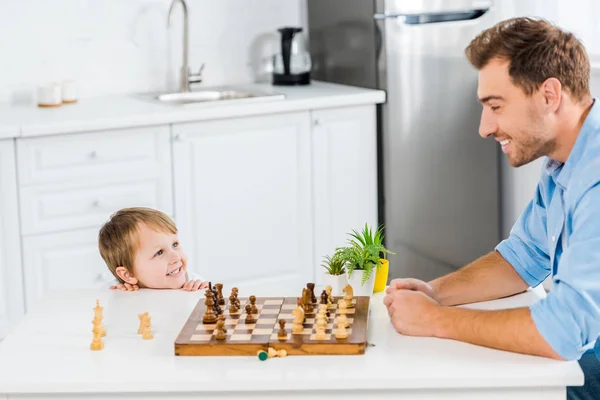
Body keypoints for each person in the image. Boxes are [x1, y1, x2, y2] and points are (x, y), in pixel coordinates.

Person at [383, 17, 600, 399]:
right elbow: (523, 258)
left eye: (496, 106)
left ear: (549, 95)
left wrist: (435, 319)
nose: (484, 127)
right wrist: (435, 292)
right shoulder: (565, 164)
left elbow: (563, 332)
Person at [98, 207, 208, 292]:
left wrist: (204, 292)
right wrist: (118, 299)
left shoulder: (192, 281)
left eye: (175, 244)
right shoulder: (115, 290)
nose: (176, 257)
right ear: (128, 275)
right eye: (159, 252)